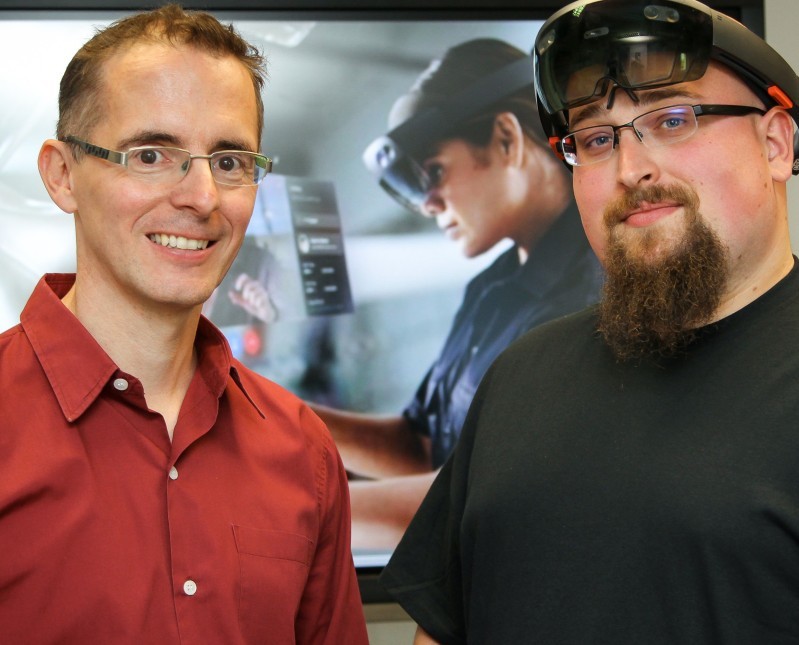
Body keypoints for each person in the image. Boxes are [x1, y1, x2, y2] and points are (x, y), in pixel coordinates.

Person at [381, 0, 799, 642]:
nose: (632, 170)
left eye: (673, 119)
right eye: (598, 139)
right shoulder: (521, 376)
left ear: (774, 143)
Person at [0, 5, 368, 643]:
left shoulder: (301, 450)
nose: (201, 198)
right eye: (150, 154)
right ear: (62, 175)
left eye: (228, 162)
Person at [312, 38, 604, 549]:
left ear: (507, 140)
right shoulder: (492, 289)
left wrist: (284, 507)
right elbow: (423, 443)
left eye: (436, 173)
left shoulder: (594, 298)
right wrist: (270, 411)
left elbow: (487, 497)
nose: (428, 204)